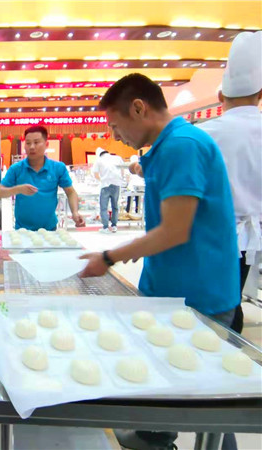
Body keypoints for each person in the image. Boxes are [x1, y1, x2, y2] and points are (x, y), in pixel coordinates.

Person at [80, 72, 241, 450]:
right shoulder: (171, 144)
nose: (116, 136)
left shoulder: (182, 146)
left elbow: (175, 231)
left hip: (198, 295)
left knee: (207, 400)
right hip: (171, 288)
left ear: (139, 108)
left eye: (116, 126)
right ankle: (154, 436)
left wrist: (108, 257)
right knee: (164, 380)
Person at [197, 31, 262, 333]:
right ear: (260, 94)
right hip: (251, 237)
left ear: (220, 97)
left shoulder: (205, 133)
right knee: (232, 298)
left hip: (210, 235)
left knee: (213, 303)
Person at [0, 125, 85, 230]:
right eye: (28, 143)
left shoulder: (58, 168)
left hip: (49, 229)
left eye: (36, 142)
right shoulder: (16, 169)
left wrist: (75, 212)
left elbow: (70, 192)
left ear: (46, 144)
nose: (32, 147)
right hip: (22, 230)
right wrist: (18, 189)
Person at [92, 147, 125, 233]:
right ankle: (114, 226)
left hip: (105, 185)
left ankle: (105, 227)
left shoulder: (99, 160)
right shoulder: (117, 158)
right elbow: (122, 171)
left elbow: (95, 174)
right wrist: (120, 180)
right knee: (115, 206)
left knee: (104, 207)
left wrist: (101, 181)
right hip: (116, 185)